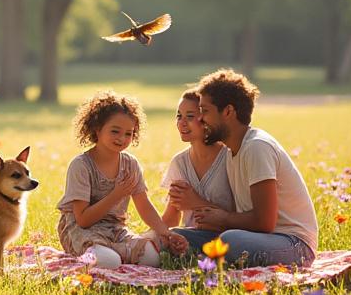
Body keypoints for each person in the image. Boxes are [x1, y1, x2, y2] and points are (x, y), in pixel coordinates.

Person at [172, 69, 319, 267]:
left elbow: (264, 222)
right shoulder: (233, 150)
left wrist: (222, 218)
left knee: (230, 241)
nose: (200, 119)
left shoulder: (256, 147)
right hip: (256, 238)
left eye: (205, 111)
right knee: (175, 237)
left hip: (293, 245)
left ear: (228, 112)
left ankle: (208, 261)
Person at [56, 90, 188, 269]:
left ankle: (118, 250)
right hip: (82, 231)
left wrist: (166, 233)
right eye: (115, 131)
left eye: (129, 133)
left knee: (152, 259)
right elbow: (83, 220)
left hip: (115, 229)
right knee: (110, 262)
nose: (122, 138)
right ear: (97, 129)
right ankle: (104, 255)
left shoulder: (130, 165)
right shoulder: (81, 166)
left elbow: (144, 205)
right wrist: (116, 195)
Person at [159, 91, 234, 229]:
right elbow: (171, 218)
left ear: (207, 118)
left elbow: (242, 218)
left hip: (228, 240)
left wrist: (196, 202)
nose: (181, 123)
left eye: (190, 116)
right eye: (179, 116)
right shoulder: (179, 162)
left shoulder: (231, 158)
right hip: (188, 241)